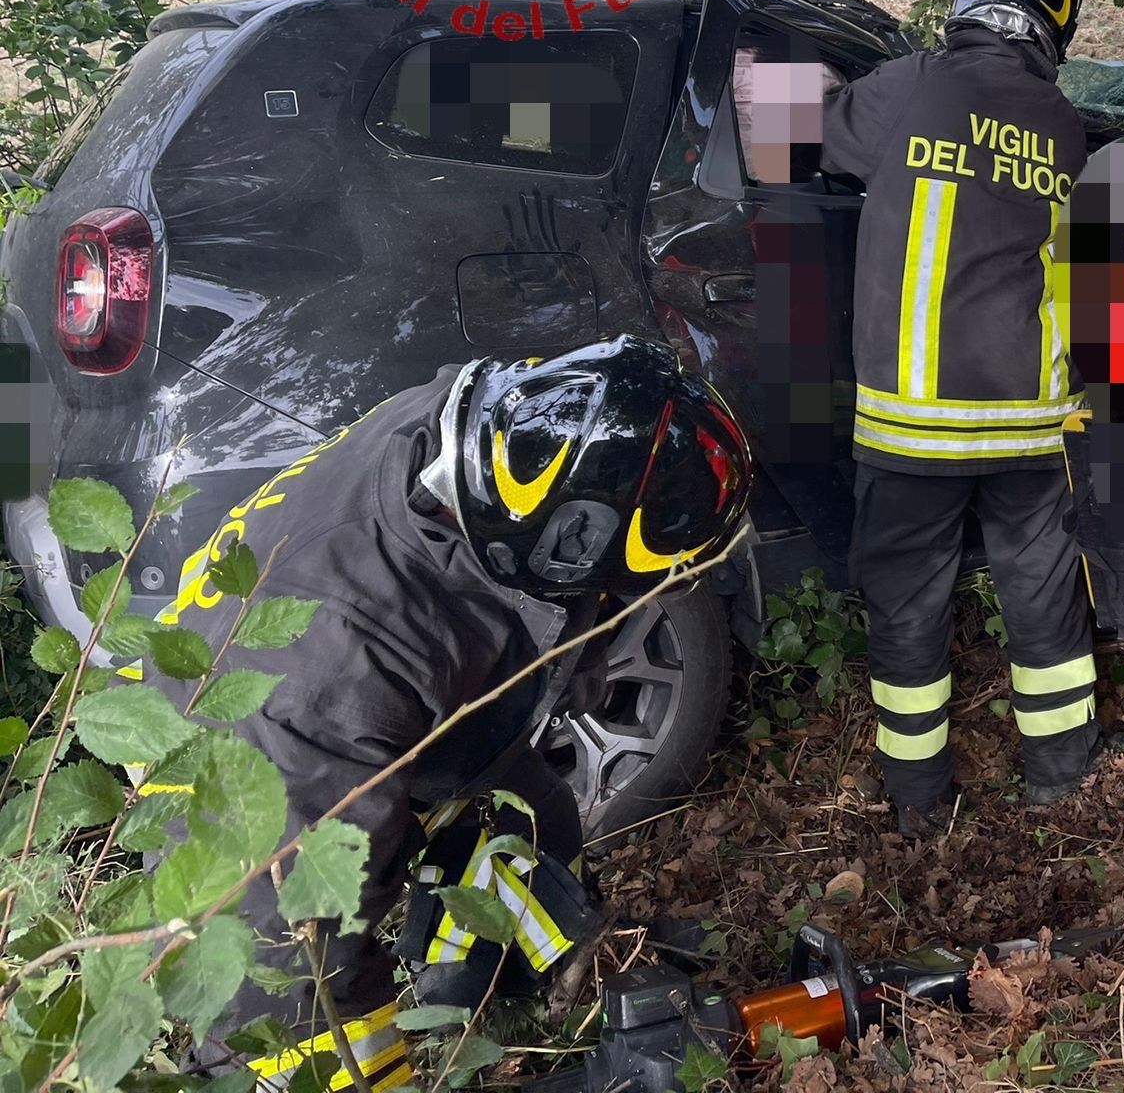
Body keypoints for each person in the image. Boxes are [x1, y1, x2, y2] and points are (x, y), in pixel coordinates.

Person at [152, 335, 752, 1082]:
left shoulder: (498, 430)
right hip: (231, 751)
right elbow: (298, 961)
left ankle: (508, 1003)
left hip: (368, 665)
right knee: (302, 1007)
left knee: (537, 823)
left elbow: (579, 594)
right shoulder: (333, 685)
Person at [821, 0, 1124, 836]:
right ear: (1056, 25)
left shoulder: (911, 85)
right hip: (1029, 425)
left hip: (910, 428)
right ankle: (1063, 776)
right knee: (1044, 601)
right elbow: (1091, 275)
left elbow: (800, 135)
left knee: (908, 612)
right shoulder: (1063, 126)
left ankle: (921, 804)